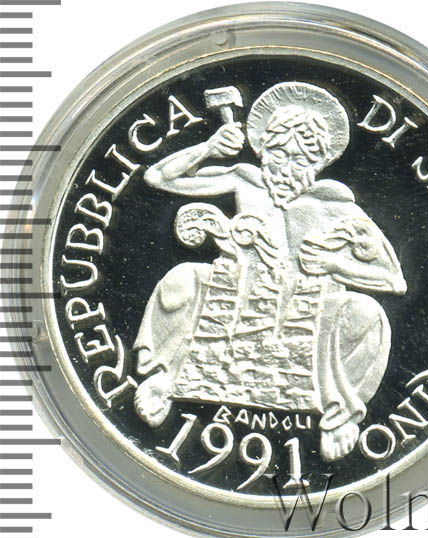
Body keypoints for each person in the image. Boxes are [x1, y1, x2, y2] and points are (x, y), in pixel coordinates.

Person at [133, 82, 406, 462]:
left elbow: (393, 279)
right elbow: (158, 178)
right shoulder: (246, 180)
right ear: (264, 150)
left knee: (368, 314)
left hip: (309, 307)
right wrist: (208, 148)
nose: (286, 166)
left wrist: (334, 264)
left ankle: (341, 412)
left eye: (300, 158)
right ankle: (165, 377)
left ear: (318, 161)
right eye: (279, 153)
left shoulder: (334, 205)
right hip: (240, 293)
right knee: (183, 277)